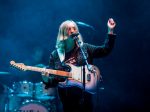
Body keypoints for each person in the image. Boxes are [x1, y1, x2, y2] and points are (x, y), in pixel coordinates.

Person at [42, 18, 116, 112]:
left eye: (74, 28)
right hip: (67, 101)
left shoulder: (84, 48)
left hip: (85, 98)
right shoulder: (56, 55)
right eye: (69, 29)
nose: (73, 31)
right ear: (63, 33)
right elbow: (54, 81)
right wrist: (46, 79)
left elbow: (105, 50)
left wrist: (110, 30)